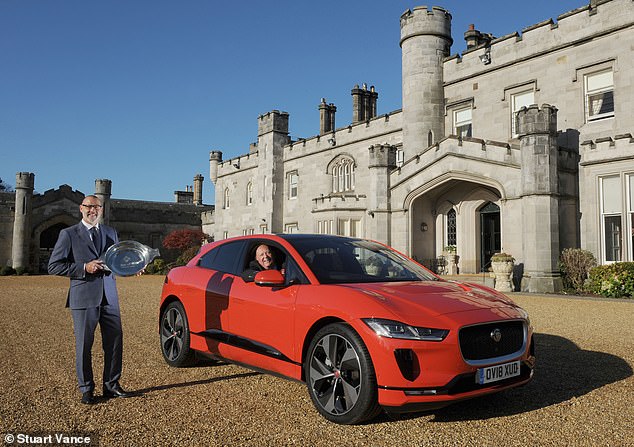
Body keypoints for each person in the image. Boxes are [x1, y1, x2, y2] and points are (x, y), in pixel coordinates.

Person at [48, 195, 133, 404]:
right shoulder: (68, 234)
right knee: (84, 345)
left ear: (102, 210)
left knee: (114, 343)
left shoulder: (110, 232)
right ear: (81, 208)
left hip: (109, 296)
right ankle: (86, 388)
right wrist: (84, 267)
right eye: (88, 206)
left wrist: (132, 268)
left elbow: (117, 261)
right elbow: (54, 266)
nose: (92, 210)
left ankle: (111, 386)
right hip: (83, 297)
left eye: (96, 207)